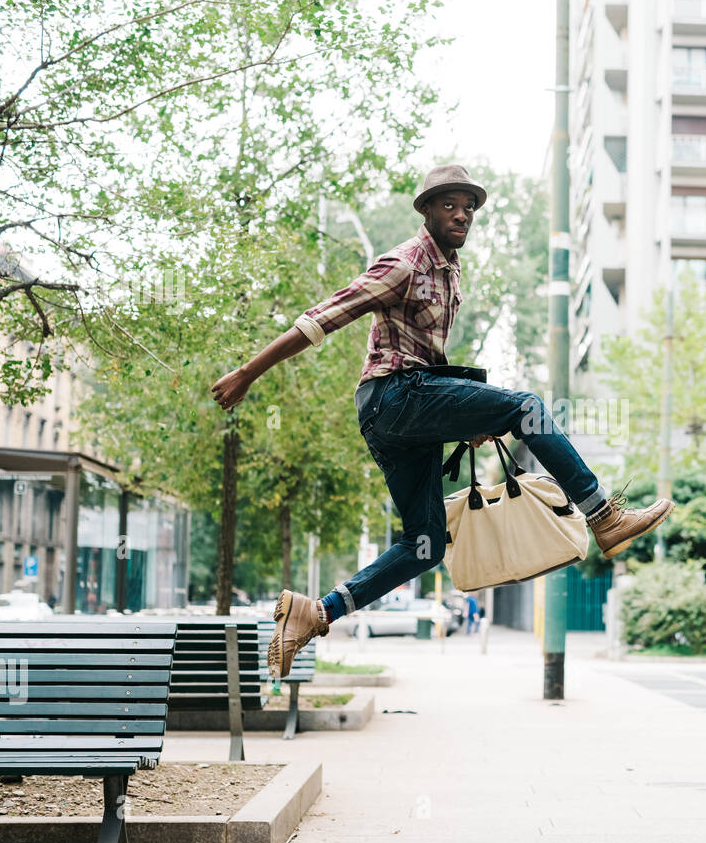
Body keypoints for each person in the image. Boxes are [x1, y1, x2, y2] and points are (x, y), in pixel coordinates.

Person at [211, 164, 675, 678]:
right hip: (392, 397)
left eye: (469, 208)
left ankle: (317, 613)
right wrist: (248, 373)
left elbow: (430, 360)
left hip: (407, 411)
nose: (461, 215)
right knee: (526, 407)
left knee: (425, 544)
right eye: (449, 205)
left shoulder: (450, 271)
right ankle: (602, 515)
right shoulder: (404, 263)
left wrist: (461, 418)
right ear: (427, 210)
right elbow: (323, 318)